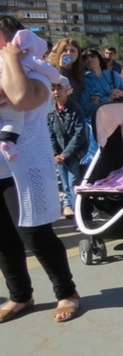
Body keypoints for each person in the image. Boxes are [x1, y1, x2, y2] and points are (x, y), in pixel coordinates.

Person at [0, 16, 81, 324]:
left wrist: (10, 59)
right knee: (3, 238)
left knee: (35, 235)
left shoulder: (41, 77)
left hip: (25, 169)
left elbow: (19, 97)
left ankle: (66, 291)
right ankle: (20, 295)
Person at [0, 28, 62, 162]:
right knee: (13, 121)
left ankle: (8, 141)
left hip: (27, 165)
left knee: (13, 120)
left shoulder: (35, 75)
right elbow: (51, 72)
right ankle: (8, 141)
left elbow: (22, 99)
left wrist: (11, 59)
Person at [48, 76, 88, 218]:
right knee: (65, 186)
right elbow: (51, 134)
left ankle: (81, 216)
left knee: (73, 184)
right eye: (53, 89)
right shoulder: (51, 112)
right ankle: (76, 213)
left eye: (59, 88)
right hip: (60, 156)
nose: (56, 92)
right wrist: (55, 154)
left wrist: (66, 153)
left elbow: (80, 134)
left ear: (67, 89)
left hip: (74, 154)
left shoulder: (75, 109)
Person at [79, 48, 123, 115]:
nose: (89, 59)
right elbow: (85, 105)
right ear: (83, 63)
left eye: (92, 56)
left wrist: (122, 93)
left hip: (119, 113)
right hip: (98, 118)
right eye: (85, 57)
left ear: (99, 59)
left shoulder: (113, 75)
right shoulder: (84, 81)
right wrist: (108, 99)